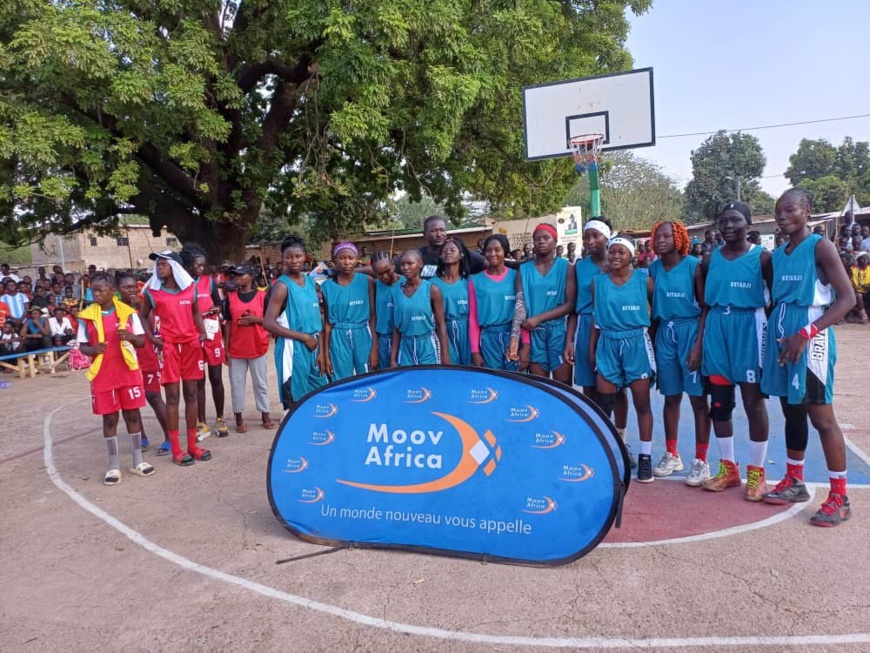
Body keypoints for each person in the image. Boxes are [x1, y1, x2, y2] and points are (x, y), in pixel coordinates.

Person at [761, 189, 856, 526]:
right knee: (793, 411)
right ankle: (794, 480)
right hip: (782, 335)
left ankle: (840, 497)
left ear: (807, 212)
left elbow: (847, 299)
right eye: (779, 211)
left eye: (790, 210)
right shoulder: (778, 255)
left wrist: (806, 333)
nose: (782, 216)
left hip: (810, 336)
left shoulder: (821, 246)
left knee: (821, 416)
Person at [700, 201, 772, 500]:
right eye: (723, 221)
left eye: (735, 220)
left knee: (753, 402)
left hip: (749, 326)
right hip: (718, 327)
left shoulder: (763, 258)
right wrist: (699, 342)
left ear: (748, 224)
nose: (728, 226)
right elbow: (704, 304)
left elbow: (775, 299)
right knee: (719, 403)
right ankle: (728, 468)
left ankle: (757, 472)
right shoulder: (708, 260)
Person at [563, 219, 633, 461]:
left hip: (612, 328)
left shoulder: (618, 263)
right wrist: (569, 340)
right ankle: (596, 440)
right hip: (585, 327)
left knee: (617, 388)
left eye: (596, 236)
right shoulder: (579, 267)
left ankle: (620, 441)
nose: (591, 241)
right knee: (589, 388)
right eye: (587, 236)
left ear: (607, 237)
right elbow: (574, 307)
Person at [76, 272, 155, 485]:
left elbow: (141, 341)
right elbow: (82, 346)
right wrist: (93, 349)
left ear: (113, 291)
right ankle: (113, 465)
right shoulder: (86, 317)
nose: (96, 294)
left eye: (100, 290)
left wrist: (130, 337)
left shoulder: (128, 314)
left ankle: (138, 461)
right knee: (110, 419)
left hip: (127, 371)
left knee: (132, 415)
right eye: (93, 290)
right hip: (103, 374)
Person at [648, 221, 712, 485]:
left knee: (698, 399)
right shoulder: (653, 269)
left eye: (667, 236)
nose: (661, 240)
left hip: (690, 331)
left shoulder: (692, 266)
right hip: (665, 332)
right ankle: (672, 454)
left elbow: (705, 307)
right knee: (670, 397)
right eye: (657, 236)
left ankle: (701, 460)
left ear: (680, 238)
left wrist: (698, 345)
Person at [589, 236, 656, 482]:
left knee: (642, 403)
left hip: (636, 342)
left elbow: (655, 313)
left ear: (631, 255)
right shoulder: (598, 282)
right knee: (606, 402)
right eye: (612, 251)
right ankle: (612, 453)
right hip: (607, 342)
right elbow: (595, 318)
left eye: (621, 252)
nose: (615, 256)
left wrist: (649, 340)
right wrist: (591, 349)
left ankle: (646, 457)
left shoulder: (644, 280)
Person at [140, 250, 209, 466]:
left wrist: (202, 331)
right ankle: (176, 448)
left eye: (163, 264)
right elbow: (143, 316)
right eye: (158, 265)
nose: (159, 267)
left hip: (190, 345)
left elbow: (196, 312)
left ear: (175, 267)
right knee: (172, 397)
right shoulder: (152, 292)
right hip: (169, 347)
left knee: (192, 394)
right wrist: (152, 338)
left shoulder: (190, 289)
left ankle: (192, 445)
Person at [263, 235, 328, 410]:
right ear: (282, 258)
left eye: (298, 256)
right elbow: (268, 323)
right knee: (294, 401)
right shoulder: (281, 286)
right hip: (292, 348)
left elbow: (317, 320)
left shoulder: (311, 282)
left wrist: (321, 352)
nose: (294, 261)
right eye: (289, 257)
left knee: (319, 396)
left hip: (313, 346)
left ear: (305, 256)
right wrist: (303, 337)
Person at [515, 223, 576, 383]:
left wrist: (539, 318)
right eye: (537, 239)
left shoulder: (566, 267)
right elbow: (520, 307)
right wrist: (525, 344)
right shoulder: (524, 270)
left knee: (563, 388)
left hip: (558, 332)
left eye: (546, 237)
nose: (541, 241)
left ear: (555, 241)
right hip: (533, 333)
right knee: (540, 388)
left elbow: (571, 304)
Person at [118, 272, 169, 454]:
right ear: (118, 290)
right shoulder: (116, 309)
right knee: (130, 402)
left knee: (154, 396)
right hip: (126, 360)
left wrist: (141, 309)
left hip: (147, 357)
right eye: (126, 287)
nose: (131, 290)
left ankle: (169, 437)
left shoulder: (143, 304)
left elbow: (155, 328)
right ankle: (141, 437)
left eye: (133, 286)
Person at [181, 244, 228, 440]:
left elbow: (219, 303)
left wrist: (217, 309)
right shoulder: (182, 284)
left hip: (212, 335)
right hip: (193, 336)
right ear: (188, 265)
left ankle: (220, 418)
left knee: (216, 378)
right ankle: (201, 422)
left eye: (203, 265)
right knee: (198, 381)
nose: (202, 268)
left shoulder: (208, 282)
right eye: (198, 265)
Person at [223, 263, 275, 432]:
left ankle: (265, 413)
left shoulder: (263, 297)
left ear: (251, 277)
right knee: (237, 384)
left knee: (261, 383)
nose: (237, 278)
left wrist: (256, 320)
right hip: (236, 349)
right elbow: (228, 324)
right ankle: (238, 416)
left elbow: (271, 320)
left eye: (241, 275)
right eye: (235, 275)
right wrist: (226, 347)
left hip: (257, 346)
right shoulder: (230, 298)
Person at [321, 242, 377, 379]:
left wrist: (374, 348)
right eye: (342, 258)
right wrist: (326, 355)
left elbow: (373, 317)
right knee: (342, 380)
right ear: (335, 260)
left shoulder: (367, 281)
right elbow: (327, 323)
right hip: (338, 336)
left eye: (351, 258)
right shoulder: (326, 286)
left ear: (356, 259)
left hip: (363, 334)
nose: (347, 262)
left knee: (367, 378)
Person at [390, 249, 450, 367]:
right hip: (406, 346)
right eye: (402, 264)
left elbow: (441, 324)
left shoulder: (432, 290)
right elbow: (396, 328)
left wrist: (445, 355)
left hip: (427, 345)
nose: (405, 268)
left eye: (410, 263)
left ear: (420, 264)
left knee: (429, 376)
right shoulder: (396, 292)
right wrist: (393, 358)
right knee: (408, 377)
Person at [469, 234, 518, 371]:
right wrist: (475, 351)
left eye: (497, 250)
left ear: (505, 251)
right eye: (488, 250)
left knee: (516, 378)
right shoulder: (475, 280)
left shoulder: (516, 276)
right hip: (488, 338)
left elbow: (523, 311)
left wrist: (525, 343)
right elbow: (473, 317)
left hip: (513, 335)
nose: (492, 254)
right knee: (494, 379)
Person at [433, 238, 472, 365]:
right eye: (444, 251)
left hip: (467, 329)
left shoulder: (469, 281)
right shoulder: (433, 284)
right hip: (444, 330)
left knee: (471, 367)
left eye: (452, 250)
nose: (448, 253)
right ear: (440, 256)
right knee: (450, 367)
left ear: (461, 255)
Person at [417, 216, 486, 278]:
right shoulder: (417, 256)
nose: (439, 234)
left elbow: (488, 265)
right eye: (433, 231)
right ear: (424, 234)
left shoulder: (460, 253)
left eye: (442, 230)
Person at [371, 251, 401, 369]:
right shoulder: (375, 286)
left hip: (403, 339)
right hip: (383, 339)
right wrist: (375, 347)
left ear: (393, 264)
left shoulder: (405, 283)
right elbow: (373, 316)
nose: (385, 276)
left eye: (387, 271)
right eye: (380, 274)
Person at [850, 252, 870, 323]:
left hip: (868, 291)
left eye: (866, 258)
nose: (865, 260)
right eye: (863, 258)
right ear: (858, 260)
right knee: (858, 295)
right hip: (856, 291)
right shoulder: (852, 269)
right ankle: (863, 315)